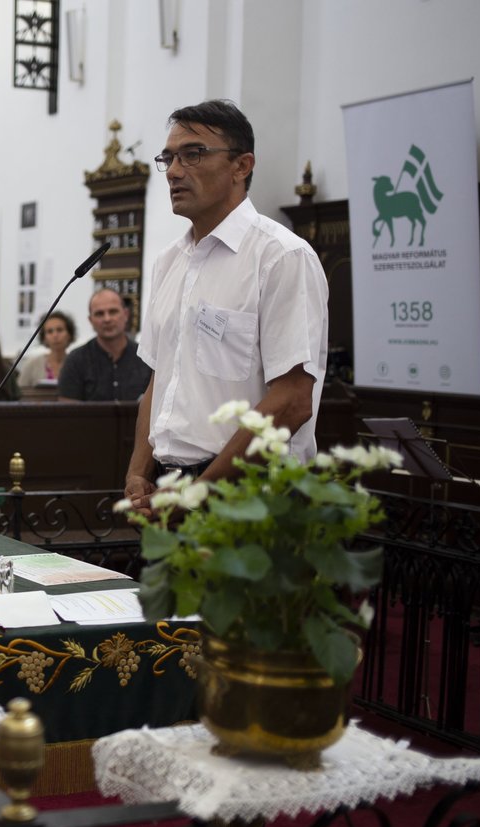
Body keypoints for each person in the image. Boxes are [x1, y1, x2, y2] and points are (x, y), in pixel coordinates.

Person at [124, 99, 328, 518]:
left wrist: (201, 492)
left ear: (242, 166)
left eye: (193, 154)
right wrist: (137, 471)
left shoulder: (280, 256)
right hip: (170, 490)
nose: (175, 171)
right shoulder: (169, 261)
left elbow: (292, 400)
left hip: (249, 496)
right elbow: (160, 383)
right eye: (169, 158)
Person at [57, 289, 151, 401]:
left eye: (113, 312)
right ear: (90, 320)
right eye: (99, 314)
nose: (107, 319)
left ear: (126, 314)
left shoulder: (145, 358)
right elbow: (67, 412)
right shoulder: (75, 360)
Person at [18, 310, 77, 388]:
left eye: (59, 330)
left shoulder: (76, 364)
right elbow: (19, 393)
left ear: (69, 334)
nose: (55, 335)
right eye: (49, 331)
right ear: (44, 338)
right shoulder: (32, 364)